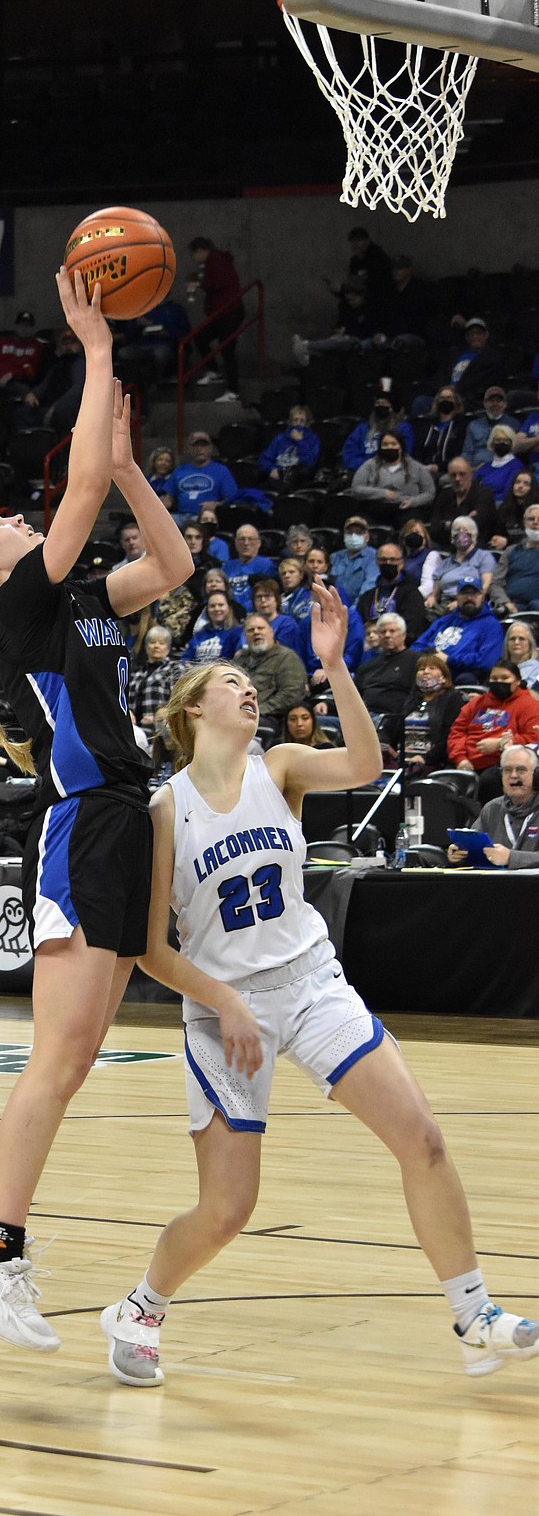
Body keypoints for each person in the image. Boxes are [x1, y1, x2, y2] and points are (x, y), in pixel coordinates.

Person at [108, 593, 539, 1387]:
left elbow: (367, 766)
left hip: (311, 982)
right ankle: (141, 1305)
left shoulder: (280, 768)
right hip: (223, 1007)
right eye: (232, 679)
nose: (249, 690)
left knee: (424, 1137)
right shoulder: (166, 808)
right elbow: (147, 950)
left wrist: (336, 666)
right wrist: (226, 1001)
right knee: (228, 1209)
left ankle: (476, 1315)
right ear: (194, 705)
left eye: (251, 681)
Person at [0, 268, 193, 1354]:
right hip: (84, 822)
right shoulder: (23, 609)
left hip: (127, 818)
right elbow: (72, 497)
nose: (14, 518)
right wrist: (93, 349)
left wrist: (128, 467)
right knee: (61, 1059)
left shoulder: (77, 597)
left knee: (74, 1059)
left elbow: (171, 562)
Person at [446, 660, 539, 800]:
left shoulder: (529, 705)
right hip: (466, 761)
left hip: (500, 763)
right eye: (494, 678)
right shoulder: (477, 703)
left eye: (505, 678)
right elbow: (457, 732)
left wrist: (499, 744)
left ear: (518, 681)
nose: (499, 682)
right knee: (444, 783)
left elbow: (533, 737)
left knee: (488, 782)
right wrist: (460, 758)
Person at [447, 744, 539, 870]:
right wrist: (460, 855)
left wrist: (510, 858)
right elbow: (474, 848)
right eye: (507, 770)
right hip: (494, 885)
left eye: (521, 770)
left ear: (536, 775)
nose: (513, 775)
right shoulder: (492, 808)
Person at [410, 576, 504, 679]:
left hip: (456, 675)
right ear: (457, 597)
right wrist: (429, 657)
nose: (469, 598)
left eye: (474, 593)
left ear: (482, 596)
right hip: (428, 669)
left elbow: (486, 661)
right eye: (464, 593)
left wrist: (449, 659)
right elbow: (416, 646)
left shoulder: (491, 625)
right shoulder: (444, 621)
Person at [389, 652, 465, 775]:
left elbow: (450, 736)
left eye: (432, 668)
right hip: (401, 760)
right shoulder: (410, 699)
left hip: (431, 762)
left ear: (444, 677)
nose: (425, 671)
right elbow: (392, 727)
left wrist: (426, 758)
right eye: (421, 669)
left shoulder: (452, 698)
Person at [187, 236, 243, 399]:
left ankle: (233, 390)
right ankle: (214, 371)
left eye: (193, 254)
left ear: (200, 251)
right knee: (200, 337)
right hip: (221, 313)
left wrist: (200, 283)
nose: (194, 259)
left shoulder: (217, 260)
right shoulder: (214, 262)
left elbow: (217, 283)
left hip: (228, 311)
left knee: (227, 350)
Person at [232, 613, 308, 723]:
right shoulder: (239, 659)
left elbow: (290, 695)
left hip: (271, 718)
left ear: (271, 631)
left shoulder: (287, 657)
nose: (256, 632)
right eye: (251, 630)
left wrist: (257, 711)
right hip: (238, 714)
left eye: (260, 628)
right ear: (245, 636)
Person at [356, 539, 428, 641]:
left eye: (393, 560)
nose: (388, 563)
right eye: (383, 560)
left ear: (402, 563)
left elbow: (411, 629)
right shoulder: (367, 596)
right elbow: (358, 625)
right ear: (377, 562)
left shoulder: (412, 594)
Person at [421, 516, 496, 611]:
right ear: (452, 536)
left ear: (474, 535)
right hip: (445, 604)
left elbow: (485, 586)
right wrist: (431, 599)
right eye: (457, 530)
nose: (461, 533)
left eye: (465, 529)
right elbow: (435, 594)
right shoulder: (446, 562)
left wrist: (461, 601)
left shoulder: (484, 556)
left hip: (470, 602)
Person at [350, 432, 435, 514]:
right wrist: (382, 493)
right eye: (385, 444)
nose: (389, 447)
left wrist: (412, 502)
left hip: (406, 508)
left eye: (394, 444)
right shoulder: (369, 465)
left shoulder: (416, 467)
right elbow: (356, 489)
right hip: (375, 506)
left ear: (401, 448)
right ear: (380, 448)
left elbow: (429, 493)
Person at [355, 611, 420, 718]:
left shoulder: (416, 661)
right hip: (362, 717)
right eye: (383, 632)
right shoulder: (367, 666)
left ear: (403, 635)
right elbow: (351, 695)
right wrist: (326, 704)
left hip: (392, 718)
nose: (387, 635)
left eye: (392, 631)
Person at [160, 430, 238, 516]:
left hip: (206, 516)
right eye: (195, 445)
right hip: (180, 516)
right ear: (189, 449)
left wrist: (216, 505)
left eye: (203, 445)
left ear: (210, 448)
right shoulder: (180, 470)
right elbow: (168, 500)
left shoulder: (221, 470)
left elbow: (232, 498)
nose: (199, 449)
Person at [0, 308, 46, 397]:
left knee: (24, 390)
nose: (24, 328)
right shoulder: (2, 342)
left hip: (17, 382)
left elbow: (32, 372)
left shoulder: (37, 346)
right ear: (16, 326)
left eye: (27, 326)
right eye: (21, 325)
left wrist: (12, 375)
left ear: (33, 328)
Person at [128, 622, 183, 732]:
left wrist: (158, 718)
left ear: (168, 647)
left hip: (161, 728)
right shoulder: (137, 673)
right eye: (152, 642)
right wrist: (128, 713)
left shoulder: (175, 669)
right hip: (134, 728)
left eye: (161, 643)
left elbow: (179, 701)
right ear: (146, 646)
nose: (156, 646)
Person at [431, 454, 498, 538]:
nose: (457, 479)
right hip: (446, 545)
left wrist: (447, 524)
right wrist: (461, 523)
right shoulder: (444, 495)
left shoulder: (484, 493)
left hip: (477, 544)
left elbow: (475, 524)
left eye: (462, 474)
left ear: (471, 474)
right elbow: (434, 526)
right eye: (453, 475)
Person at [341, 396, 413, 473]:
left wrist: (379, 467)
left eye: (384, 403)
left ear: (391, 408)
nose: (380, 406)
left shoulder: (403, 428)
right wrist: (366, 467)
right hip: (360, 470)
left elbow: (403, 453)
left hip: (389, 473)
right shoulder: (362, 428)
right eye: (378, 403)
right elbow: (349, 453)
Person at [490, 505, 539, 616]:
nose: (535, 523)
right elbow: (495, 582)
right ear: (524, 522)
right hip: (512, 606)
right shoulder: (511, 551)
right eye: (531, 519)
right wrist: (505, 602)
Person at [257, 404, 320, 489]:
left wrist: (300, 441)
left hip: (297, 479)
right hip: (277, 476)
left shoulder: (312, 438)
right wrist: (271, 469)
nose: (298, 424)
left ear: (306, 424)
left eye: (302, 421)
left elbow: (309, 462)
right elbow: (264, 459)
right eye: (295, 420)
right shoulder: (281, 438)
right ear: (290, 422)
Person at [413, 386, 466, 478]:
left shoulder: (461, 426)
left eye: (449, 398)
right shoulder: (427, 425)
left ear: (456, 401)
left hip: (448, 472)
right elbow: (418, 451)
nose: (446, 400)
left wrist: (438, 467)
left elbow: (459, 455)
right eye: (442, 398)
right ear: (437, 401)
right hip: (424, 470)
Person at [462, 387, 518, 469]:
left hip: (502, 468)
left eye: (498, 401)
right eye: (491, 401)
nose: (495, 404)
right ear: (485, 403)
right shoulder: (473, 425)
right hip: (474, 468)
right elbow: (467, 452)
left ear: (505, 404)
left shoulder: (514, 424)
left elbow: (514, 451)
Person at [328, 517, 378, 607]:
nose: (353, 536)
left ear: (367, 537)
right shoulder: (334, 557)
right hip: (333, 607)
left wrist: (351, 612)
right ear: (344, 536)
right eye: (349, 533)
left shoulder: (374, 557)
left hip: (359, 610)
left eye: (358, 532)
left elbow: (368, 589)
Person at [181, 590, 243, 663]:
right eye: (212, 606)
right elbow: (185, 659)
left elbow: (239, 659)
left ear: (229, 607)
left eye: (220, 605)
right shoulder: (199, 635)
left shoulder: (238, 632)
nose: (216, 609)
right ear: (207, 610)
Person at [473, 427, 525, 508]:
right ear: (492, 443)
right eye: (498, 440)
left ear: (511, 443)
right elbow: (473, 485)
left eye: (506, 440)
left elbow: (507, 493)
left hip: (500, 506)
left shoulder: (516, 466)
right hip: (479, 503)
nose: (502, 443)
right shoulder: (486, 466)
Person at [249, 578, 301, 652]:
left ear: (276, 600)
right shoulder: (250, 625)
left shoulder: (288, 623)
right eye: (259, 597)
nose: (263, 600)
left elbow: (279, 650)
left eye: (267, 596)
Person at [502, 619, 539, 688]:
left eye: (522, 639)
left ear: (530, 643)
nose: (516, 642)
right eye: (512, 639)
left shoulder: (537, 670)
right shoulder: (498, 669)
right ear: (506, 643)